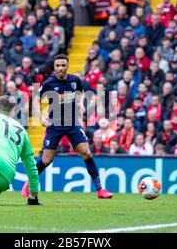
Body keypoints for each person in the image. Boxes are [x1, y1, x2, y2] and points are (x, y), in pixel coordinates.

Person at [22, 54, 113, 199]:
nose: (60, 68)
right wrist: (40, 117)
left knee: (87, 153)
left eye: (63, 65)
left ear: (67, 66)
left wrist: (80, 102)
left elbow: (81, 92)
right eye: (57, 66)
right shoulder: (49, 83)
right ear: (54, 67)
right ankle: (29, 182)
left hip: (72, 123)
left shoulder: (74, 80)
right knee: (46, 160)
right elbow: (36, 99)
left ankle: (100, 190)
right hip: (55, 124)